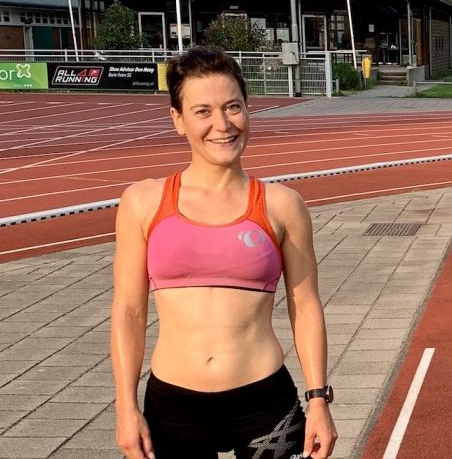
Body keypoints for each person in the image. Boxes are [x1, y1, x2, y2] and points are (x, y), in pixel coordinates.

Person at [112, 47, 338, 459]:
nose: (222, 124)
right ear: (178, 120)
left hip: (264, 400)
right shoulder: (143, 202)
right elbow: (129, 310)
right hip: (173, 406)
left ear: (248, 110)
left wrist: (319, 399)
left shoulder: (282, 204)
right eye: (203, 111)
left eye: (233, 107)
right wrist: (125, 406)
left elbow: (305, 307)